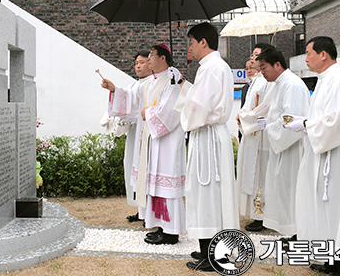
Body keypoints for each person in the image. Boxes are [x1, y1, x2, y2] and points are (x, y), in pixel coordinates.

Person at [285, 36, 340, 276]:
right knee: (325, 206)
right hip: (324, 151)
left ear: (323, 54)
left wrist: (306, 124)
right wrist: (305, 124)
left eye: (309, 53)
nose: (306, 57)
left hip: (337, 152)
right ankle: (332, 257)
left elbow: (336, 121)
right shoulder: (324, 80)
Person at [102, 43, 187, 244]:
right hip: (152, 142)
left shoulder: (173, 81)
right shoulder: (152, 82)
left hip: (167, 142)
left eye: (151, 56)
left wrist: (147, 113)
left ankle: (171, 231)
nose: (148, 60)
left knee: (166, 186)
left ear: (163, 58)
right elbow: (132, 98)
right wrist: (114, 89)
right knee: (155, 186)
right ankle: (161, 226)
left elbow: (170, 111)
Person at [173, 22, 238, 271]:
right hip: (209, 133)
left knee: (208, 193)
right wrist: (182, 86)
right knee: (208, 193)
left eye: (190, 43)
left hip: (207, 135)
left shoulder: (211, 68)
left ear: (203, 42)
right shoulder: (214, 67)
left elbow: (198, 108)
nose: (190, 48)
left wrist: (184, 102)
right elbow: (201, 101)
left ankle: (212, 253)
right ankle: (207, 248)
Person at [240, 47, 309, 241]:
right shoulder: (279, 84)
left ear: (277, 65)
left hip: (292, 147)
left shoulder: (292, 85)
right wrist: (265, 123)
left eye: (264, 67)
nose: (261, 72)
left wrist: (271, 128)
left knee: (293, 190)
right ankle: (294, 232)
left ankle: (299, 235)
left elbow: (291, 119)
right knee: (285, 191)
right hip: (282, 146)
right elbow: (278, 115)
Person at [235, 43, 273, 232]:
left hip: (262, 136)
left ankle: (262, 214)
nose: (253, 59)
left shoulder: (266, 81)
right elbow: (248, 106)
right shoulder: (255, 81)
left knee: (261, 176)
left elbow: (265, 108)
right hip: (251, 134)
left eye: (257, 55)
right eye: (252, 55)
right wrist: (241, 115)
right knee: (251, 173)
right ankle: (254, 211)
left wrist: (244, 117)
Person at [114, 51, 152, 222]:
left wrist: (115, 90)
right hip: (134, 133)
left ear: (151, 63)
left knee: (145, 170)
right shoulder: (134, 84)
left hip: (146, 133)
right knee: (132, 167)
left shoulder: (152, 83)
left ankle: (148, 212)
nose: (138, 66)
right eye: (136, 63)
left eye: (142, 62)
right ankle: (140, 210)